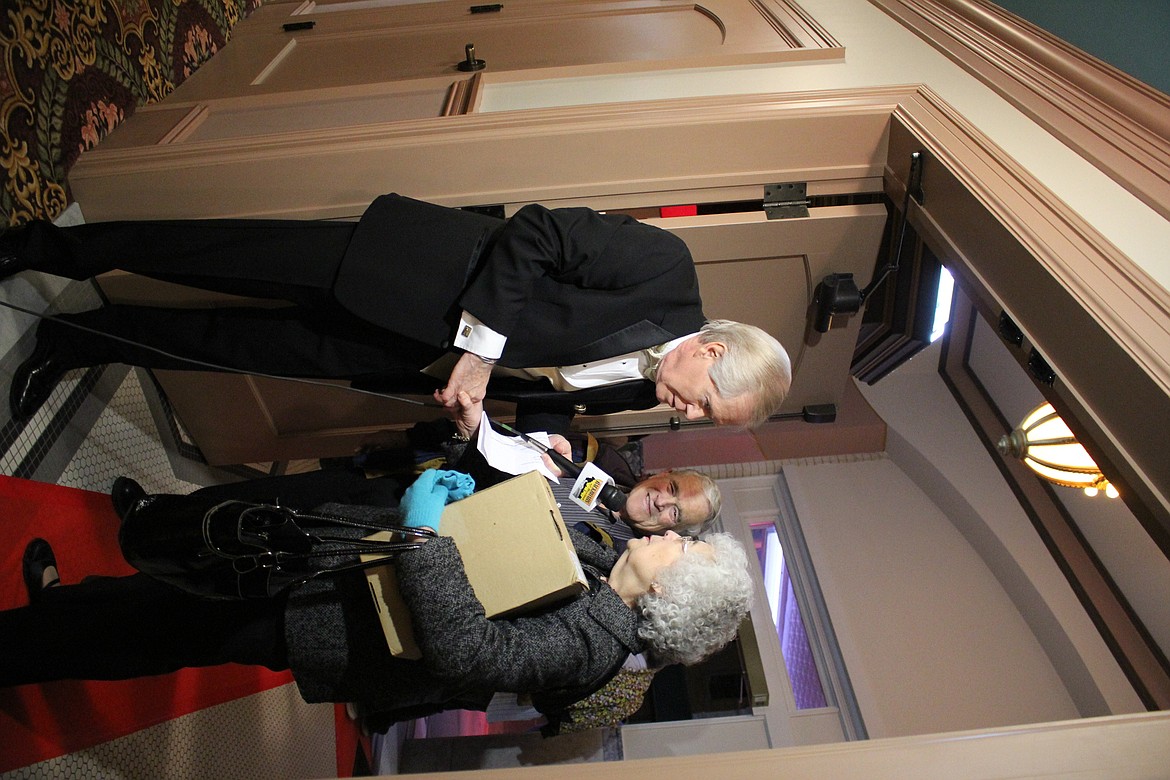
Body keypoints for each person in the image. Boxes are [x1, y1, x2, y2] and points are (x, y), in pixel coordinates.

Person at [0, 195, 791, 431]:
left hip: (402, 356)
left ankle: (77, 341)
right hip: (401, 271)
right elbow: (539, 230)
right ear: (716, 354)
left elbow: (535, 390)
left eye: (696, 421)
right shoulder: (665, 273)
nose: (682, 414)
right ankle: (39, 247)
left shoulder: (637, 395)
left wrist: (490, 425)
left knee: (227, 341)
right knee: (207, 252)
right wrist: (481, 349)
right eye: (702, 404)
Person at [3, 486, 753, 730]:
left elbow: (469, 652)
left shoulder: (591, 646)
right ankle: (66, 611)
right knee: (171, 599)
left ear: (667, 591)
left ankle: (26, 647)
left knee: (168, 630)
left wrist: (426, 536)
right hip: (345, 571)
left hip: (336, 626)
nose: (674, 540)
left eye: (685, 552)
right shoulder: (606, 550)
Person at [447, 391, 721, 552]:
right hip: (446, 479)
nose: (662, 501)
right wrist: (547, 447)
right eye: (672, 489)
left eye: (675, 512)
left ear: (672, 531)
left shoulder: (610, 554)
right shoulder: (605, 464)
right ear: (663, 474)